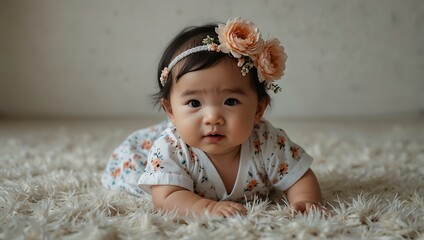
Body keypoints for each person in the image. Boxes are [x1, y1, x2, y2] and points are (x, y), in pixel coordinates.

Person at [102, 17, 324, 217]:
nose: (212, 118)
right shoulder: (170, 149)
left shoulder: (267, 142)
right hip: (142, 156)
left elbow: (300, 176)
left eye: (230, 102)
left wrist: (306, 201)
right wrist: (206, 207)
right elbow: (166, 197)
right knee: (142, 181)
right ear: (170, 111)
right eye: (194, 103)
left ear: (258, 110)